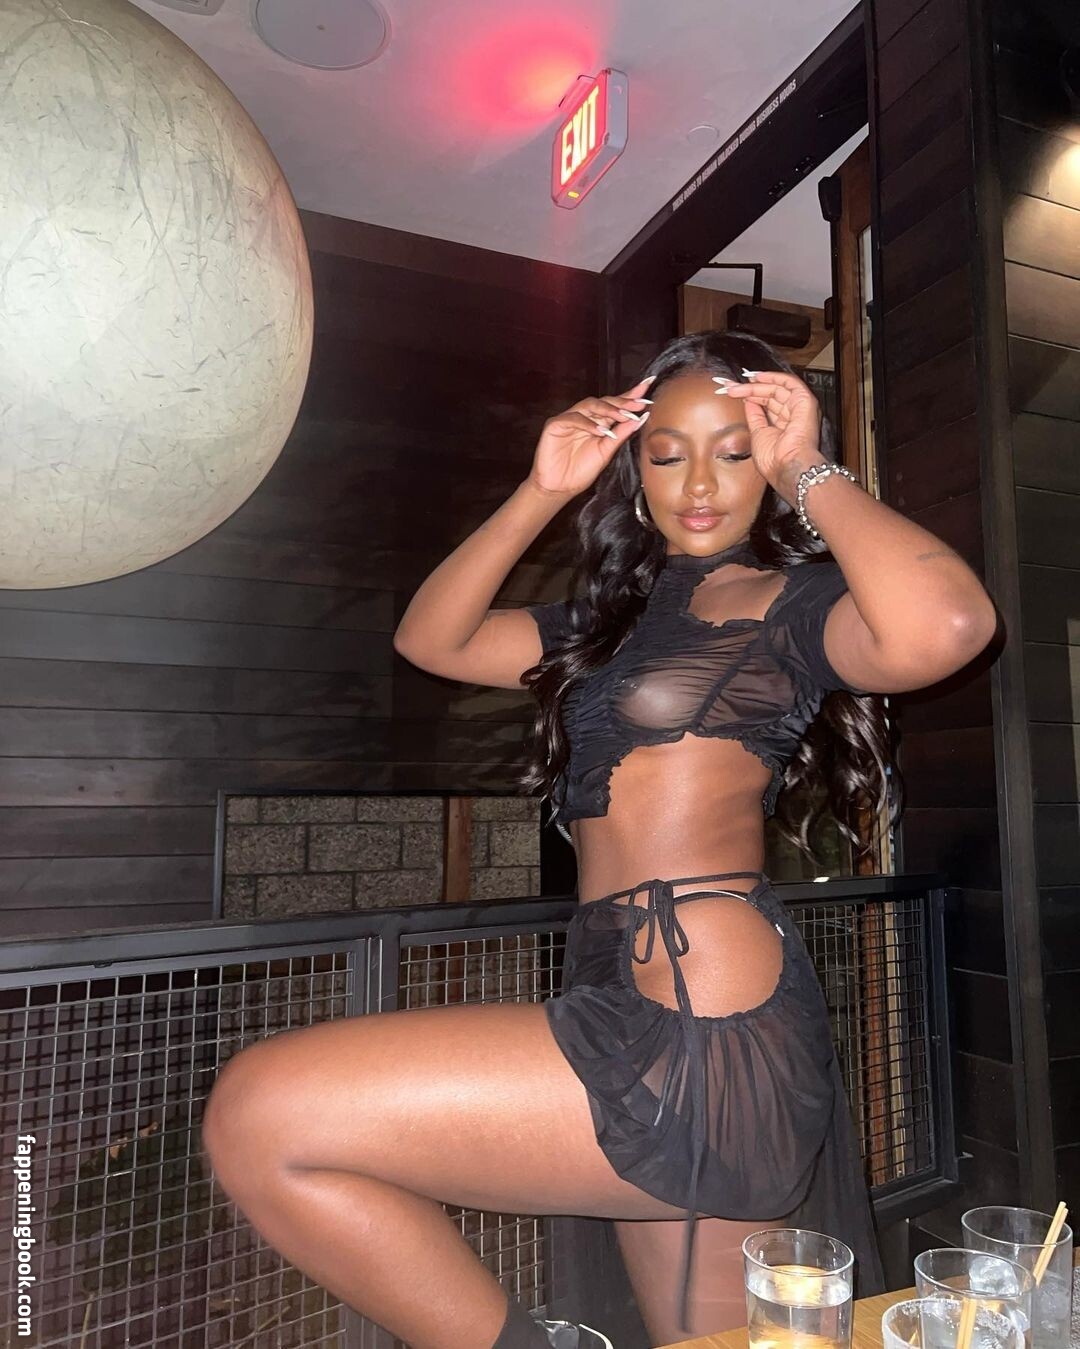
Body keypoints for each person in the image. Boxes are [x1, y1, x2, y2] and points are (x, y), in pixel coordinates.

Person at [201, 330, 998, 1349]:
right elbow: (431, 638)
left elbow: (948, 625)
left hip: (705, 1025)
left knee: (265, 1113)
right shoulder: (607, 622)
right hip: (616, 985)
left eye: (735, 450)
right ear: (635, 467)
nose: (698, 483)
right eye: (667, 454)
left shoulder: (789, 606)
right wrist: (542, 488)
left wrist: (807, 466)